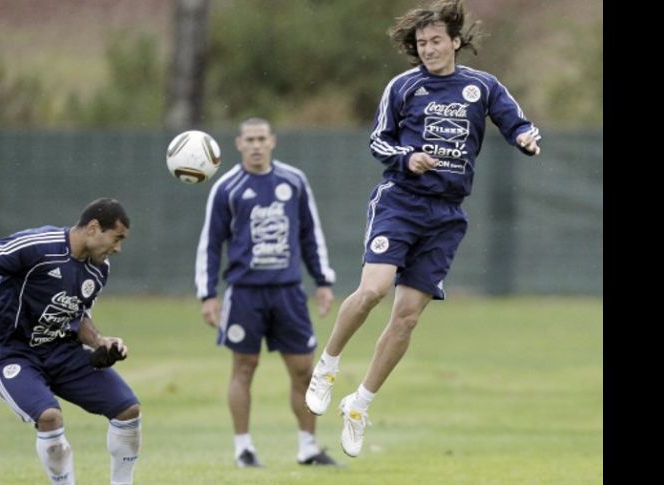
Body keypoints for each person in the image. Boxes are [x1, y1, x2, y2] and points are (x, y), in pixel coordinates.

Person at [305, 0, 542, 458]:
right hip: (400, 200)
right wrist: (406, 158)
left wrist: (527, 139)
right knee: (373, 290)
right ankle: (328, 365)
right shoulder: (404, 87)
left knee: (407, 316)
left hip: (447, 214)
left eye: (436, 41)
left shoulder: (483, 86)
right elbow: (378, 138)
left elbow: (518, 124)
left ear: (455, 41)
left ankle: (359, 404)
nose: (429, 49)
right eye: (421, 43)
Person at [0, 198, 141, 485]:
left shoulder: (98, 270)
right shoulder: (39, 245)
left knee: (128, 409)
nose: (118, 248)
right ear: (93, 228)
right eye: (117, 238)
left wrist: (101, 342)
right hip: (10, 352)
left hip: (61, 350)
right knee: (49, 417)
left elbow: (78, 317)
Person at [195, 117, 339, 467]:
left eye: (262, 138)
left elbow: (310, 233)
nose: (257, 145)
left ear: (272, 141)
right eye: (250, 139)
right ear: (239, 144)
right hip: (244, 292)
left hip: (288, 291)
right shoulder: (227, 187)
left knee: (304, 370)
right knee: (244, 367)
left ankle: (308, 447)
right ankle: (243, 449)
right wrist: (208, 294)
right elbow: (211, 244)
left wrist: (323, 281)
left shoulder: (294, 181)